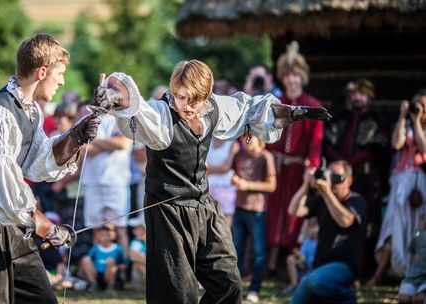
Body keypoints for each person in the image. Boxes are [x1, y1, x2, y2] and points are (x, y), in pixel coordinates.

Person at [92, 59, 330, 303]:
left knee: (228, 286)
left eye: (194, 99)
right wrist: (113, 97)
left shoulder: (213, 108)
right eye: (180, 97)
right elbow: (138, 109)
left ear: (206, 96)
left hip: (205, 207)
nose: (185, 105)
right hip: (168, 212)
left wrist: (292, 112)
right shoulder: (162, 114)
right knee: (178, 295)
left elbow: (249, 108)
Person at [0, 34, 101, 303]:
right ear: (42, 72)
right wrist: (47, 228)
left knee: (42, 298)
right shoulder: (1, 113)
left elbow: (37, 163)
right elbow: (5, 186)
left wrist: (75, 136)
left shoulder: (31, 111)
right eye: (59, 73)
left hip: (9, 220)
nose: (61, 81)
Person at [265, 41, 324, 274]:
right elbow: (267, 136)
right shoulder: (276, 104)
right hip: (277, 170)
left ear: (302, 78)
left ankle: (293, 264)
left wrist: (312, 167)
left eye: (295, 76)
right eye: (287, 76)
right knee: (273, 214)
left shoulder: (312, 106)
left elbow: (316, 144)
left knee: (294, 216)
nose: (291, 80)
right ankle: (270, 263)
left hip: (297, 171)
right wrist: (270, 156)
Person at [324, 79, 389, 278]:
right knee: (338, 215)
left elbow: (377, 147)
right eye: (353, 94)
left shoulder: (377, 120)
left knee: (366, 220)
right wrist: (341, 164)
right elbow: (327, 144)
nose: (357, 97)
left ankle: (364, 265)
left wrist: (351, 163)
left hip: (366, 179)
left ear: (369, 96)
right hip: (340, 178)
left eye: (361, 94)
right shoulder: (340, 118)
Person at [288, 160, 367, 303]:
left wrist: (327, 192)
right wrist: (305, 185)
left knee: (312, 282)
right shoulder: (322, 199)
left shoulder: (357, 200)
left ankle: (349, 299)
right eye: (330, 176)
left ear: (349, 181)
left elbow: (345, 221)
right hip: (319, 267)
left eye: (337, 178)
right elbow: (294, 210)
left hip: (345, 266)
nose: (332, 182)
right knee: (302, 293)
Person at [371, 89, 426, 286]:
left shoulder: (421, 126)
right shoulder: (407, 124)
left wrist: (418, 121)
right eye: (415, 104)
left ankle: (413, 274)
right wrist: (403, 117)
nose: (418, 108)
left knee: (415, 228)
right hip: (400, 179)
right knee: (393, 225)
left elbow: (424, 148)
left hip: (419, 182)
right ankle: (380, 274)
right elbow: (396, 143)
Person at [230, 134, 276, 303]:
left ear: (259, 139)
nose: (245, 142)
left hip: (257, 210)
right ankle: (236, 288)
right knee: (236, 250)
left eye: (249, 138)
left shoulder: (266, 157)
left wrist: (247, 185)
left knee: (258, 252)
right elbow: (233, 172)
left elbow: (271, 185)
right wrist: (235, 180)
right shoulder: (240, 155)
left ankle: (255, 289)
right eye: (243, 139)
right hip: (239, 207)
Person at [81, 112, 132, 252]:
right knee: (96, 230)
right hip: (93, 182)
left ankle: (124, 268)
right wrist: (110, 143)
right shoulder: (88, 118)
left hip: (117, 183)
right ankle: (97, 269)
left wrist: (94, 141)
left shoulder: (124, 117)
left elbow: (123, 143)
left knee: (120, 228)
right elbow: (84, 149)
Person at [78, 224, 127, 293]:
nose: (105, 237)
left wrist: (117, 267)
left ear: (113, 235)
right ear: (98, 236)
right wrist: (80, 275)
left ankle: (110, 286)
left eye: (108, 234)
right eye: (102, 235)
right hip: (97, 275)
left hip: (110, 275)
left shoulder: (117, 248)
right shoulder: (95, 248)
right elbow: (86, 261)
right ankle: (93, 284)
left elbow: (124, 264)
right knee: (85, 259)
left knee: (110, 260)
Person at [207, 137, 240, 226]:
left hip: (225, 189)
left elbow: (226, 168)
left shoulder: (233, 144)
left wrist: (209, 169)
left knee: (225, 226)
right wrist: (219, 169)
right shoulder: (208, 141)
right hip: (208, 187)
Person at [398, 206, 426, 304]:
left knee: (417, 300)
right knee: (404, 299)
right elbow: (412, 252)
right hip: (413, 277)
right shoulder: (417, 233)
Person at [284, 218, 318, 293]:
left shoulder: (323, 242)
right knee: (290, 258)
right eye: (311, 226)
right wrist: (298, 256)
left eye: (316, 226)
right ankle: (294, 285)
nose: (314, 230)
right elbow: (303, 261)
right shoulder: (307, 242)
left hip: (318, 270)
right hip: (306, 269)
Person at [128, 216, 147, 291]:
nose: (135, 231)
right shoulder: (135, 242)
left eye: (139, 229)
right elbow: (133, 256)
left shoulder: (150, 241)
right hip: (139, 272)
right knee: (138, 263)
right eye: (136, 229)